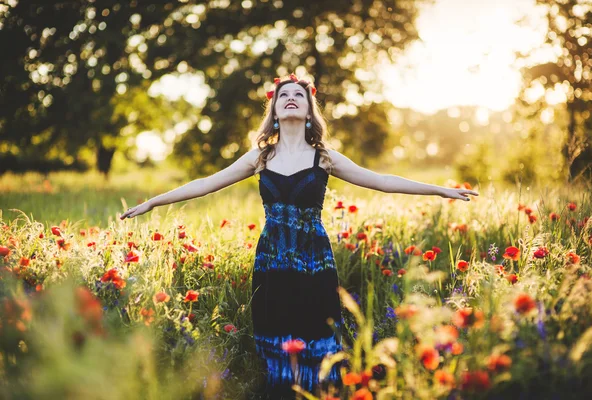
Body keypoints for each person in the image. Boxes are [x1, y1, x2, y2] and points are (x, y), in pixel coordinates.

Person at [119, 73, 479, 398]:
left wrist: (439, 190)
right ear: (274, 110)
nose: (291, 98)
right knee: (275, 329)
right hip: (271, 258)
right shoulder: (260, 157)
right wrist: (153, 202)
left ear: (309, 111)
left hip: (314, 259)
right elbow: (205, 184)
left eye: (299, 95)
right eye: (283, 95)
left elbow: (382, 181)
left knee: (316, 329)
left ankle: (321, 390)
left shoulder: (324, 157)